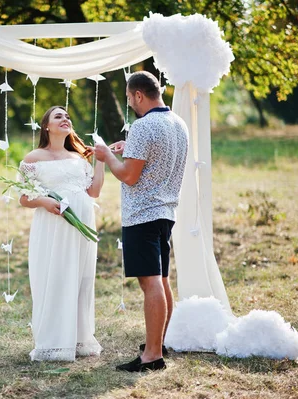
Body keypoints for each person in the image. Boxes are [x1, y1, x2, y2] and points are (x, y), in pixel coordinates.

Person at [92, 71, 188, 372]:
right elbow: (150, 161)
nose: (130, 104)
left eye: (129, 98)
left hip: (142, 215)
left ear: (138, 95)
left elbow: (129, 176)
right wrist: (126, 149)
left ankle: (152, 355)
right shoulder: (177, 122)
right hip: (166, 212)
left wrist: (107, 156)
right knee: (161, 280)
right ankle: (159, 343)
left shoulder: (144, 126)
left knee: (150, 283)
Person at [19, 105, 105, 361]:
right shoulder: (33, 158)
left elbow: (94, 192)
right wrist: (44, 201)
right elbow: (24, 197)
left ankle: (79, 339)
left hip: (81, 222)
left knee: (81, 278)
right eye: (59, 116)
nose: (65, 118)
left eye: (68, 116)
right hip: (52, 225)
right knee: (54, 276)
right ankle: (53, 342)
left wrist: (100, 161)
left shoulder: (79, 158)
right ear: (46, 126)